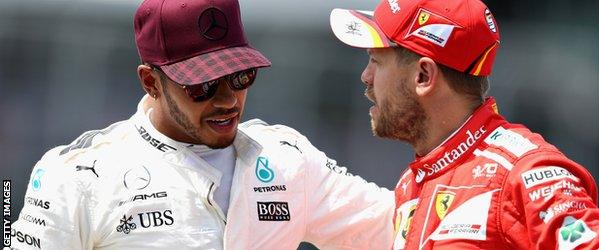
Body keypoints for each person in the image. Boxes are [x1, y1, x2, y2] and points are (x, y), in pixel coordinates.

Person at [9, 0, 395, 249]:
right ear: (150, 81)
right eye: (203, 84)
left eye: (241, 77)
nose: (228, 100)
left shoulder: (287, 160)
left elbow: (398, 227)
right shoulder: (77, 176)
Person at [329, 0, 599, 249]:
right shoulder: (413, 181)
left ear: (423, 77)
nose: (365, 77)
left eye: (376, 61)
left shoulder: (524, 173)